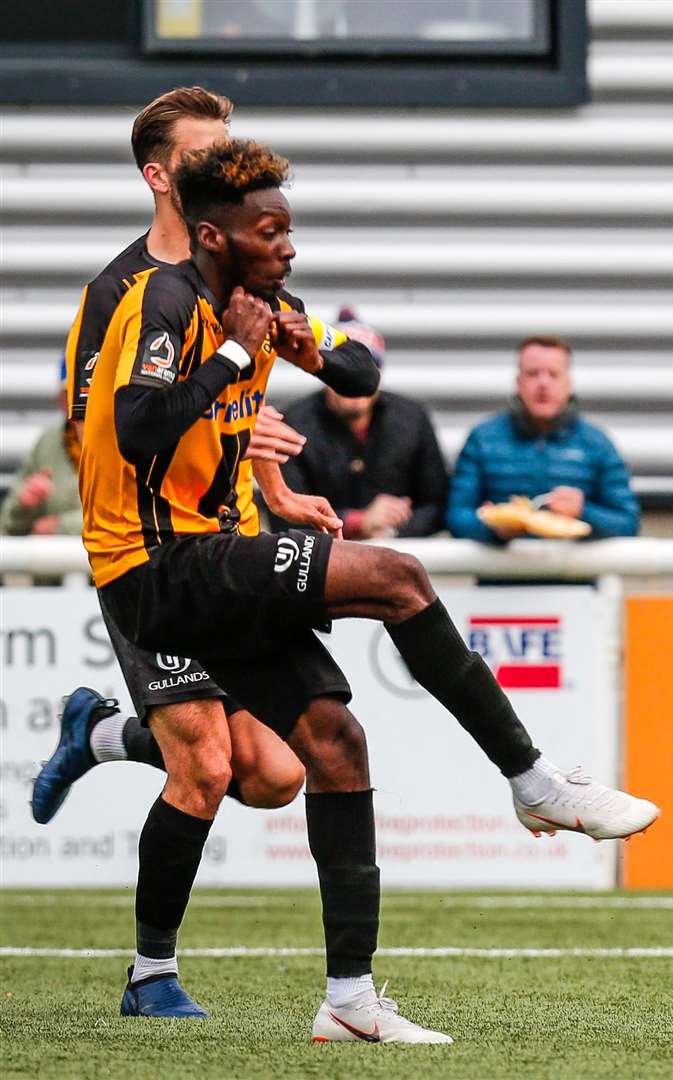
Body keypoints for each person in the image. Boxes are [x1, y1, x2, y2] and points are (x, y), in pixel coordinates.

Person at [76, 138, 658, 1041]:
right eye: (271, 233)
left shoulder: (263, 299)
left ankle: (349, 1001)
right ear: (214, 236)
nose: (290, 248)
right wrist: (235, 352)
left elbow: (361, 372)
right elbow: (139, 428)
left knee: (335, 744)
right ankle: (532, 778)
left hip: (211, 559)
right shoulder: (161, 297)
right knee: (397, 576)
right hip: (156, 566)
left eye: (290, 231)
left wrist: (303, 340)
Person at [35, 87, 322, 845]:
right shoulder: (117, 293)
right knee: (207, 767)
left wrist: (275, 486)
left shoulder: (248, 270)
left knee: (274, 775)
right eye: (205, 156)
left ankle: (98, 735)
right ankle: (151, 964)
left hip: (233, 546)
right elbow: (94, 430)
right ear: (159, 178)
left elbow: (243, 404)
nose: (227, 166)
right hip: (150, 555)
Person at [273, 309, 449, 539]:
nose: (352, 383)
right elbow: (282, 515)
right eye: (341, 371)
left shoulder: (412, 418)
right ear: (323, 372)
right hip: (322, 566)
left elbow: (437, 503)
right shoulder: (294, 422)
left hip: (395, 558)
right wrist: (358, 522)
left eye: (363, 372)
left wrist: (391, 531)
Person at [447, 335, 639, 542]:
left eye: (554, 374)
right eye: (533, 374)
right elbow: (455, 517)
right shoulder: (483, 439)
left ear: (568, 384)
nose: (543, 383)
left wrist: (583, 511)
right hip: (504, 573)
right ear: (519, 383)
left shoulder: (596, 443)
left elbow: (628, 522)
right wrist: (493, 527)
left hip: (574, 573)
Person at [2, 357, 84, 537]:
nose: (79, 403)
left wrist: (61, 526)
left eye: (85, 393)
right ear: (61, 400)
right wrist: (23, 505)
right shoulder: (48, 443)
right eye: (70, 394)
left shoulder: (123, 442)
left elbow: (131, 518)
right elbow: (8, 526)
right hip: (58, 563)